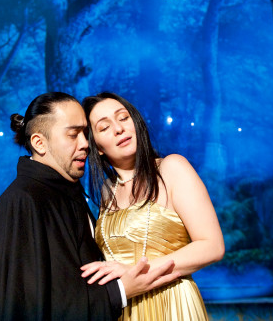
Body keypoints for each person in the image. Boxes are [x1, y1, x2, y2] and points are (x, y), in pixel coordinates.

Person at [0, 92, 180, 321]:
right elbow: (28, 305)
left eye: (85, 134)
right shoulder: (23, 201)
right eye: (73, 135)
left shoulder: (65, 192)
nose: (85, 144)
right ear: (39, 143)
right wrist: (120, 291)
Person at [81, 92, 225, 320]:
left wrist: (136, 270)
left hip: (173, 305)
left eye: (123, 118)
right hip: (126, 309)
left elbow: (213, 246)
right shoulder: (108, 190)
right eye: (104, 127)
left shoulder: (172, 168)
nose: (118, 129)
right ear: (97, 146)